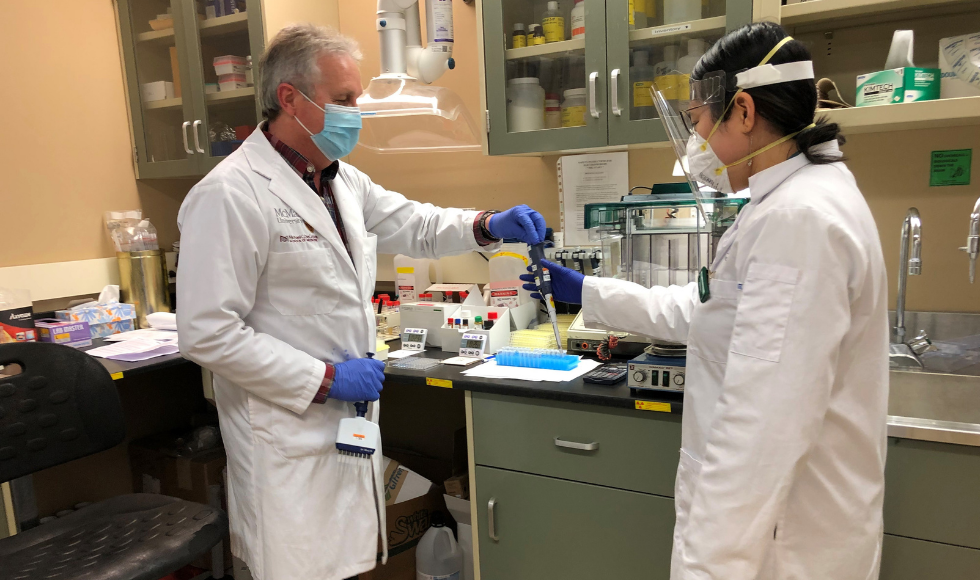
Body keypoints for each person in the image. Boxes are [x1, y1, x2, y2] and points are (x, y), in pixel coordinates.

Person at [176, 24, 545, 580]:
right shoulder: (230, 194)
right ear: (289, 98)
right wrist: (324, 378)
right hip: (285, 431)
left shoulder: (338, 180)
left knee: (340, 563)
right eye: (344, 100)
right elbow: (207, 334)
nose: (358, 112)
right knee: (294, 566)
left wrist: (486, 224)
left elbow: (415, 222)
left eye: (358, 98)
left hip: (341, 425)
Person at [523, 22, 888, 580]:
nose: (696, 147)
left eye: (697, 123)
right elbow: (709, 312)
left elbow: (759, 431)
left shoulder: (798, 219)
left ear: (743, 111)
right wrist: (588, 291)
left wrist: (704, 568)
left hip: (777, 545)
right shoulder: (787, 202)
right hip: (768, 531)